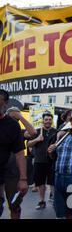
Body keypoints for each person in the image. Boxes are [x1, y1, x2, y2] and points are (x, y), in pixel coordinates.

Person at [0, 90, 29, 218]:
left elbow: (19, 153)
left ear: (5, 103)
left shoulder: (12, 125)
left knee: (14, 205)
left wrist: (23, 179)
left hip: (10, 172)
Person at [27, 111, 57, 210]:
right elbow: (28, 144)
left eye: (50, 119)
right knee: (40, 183)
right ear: (43, 121)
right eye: (46, 119)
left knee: (53, 182)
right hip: (39, 161)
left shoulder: (55, 132)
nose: (48, 121)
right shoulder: (36, 131)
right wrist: (37, 139)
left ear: (52, 121)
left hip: (52, 161)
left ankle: (53, 197)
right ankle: (42, 201)